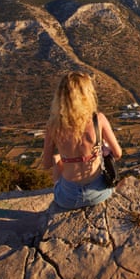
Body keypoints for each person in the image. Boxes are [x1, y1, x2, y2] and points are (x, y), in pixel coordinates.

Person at [42, 72, 122, 209]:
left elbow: (46, 164)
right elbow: (118, 153)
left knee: (57, 159)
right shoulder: (98, 119)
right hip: (100, 193)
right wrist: (103, 150)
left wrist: (62, 158)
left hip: (67, 199)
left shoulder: (53, 126)